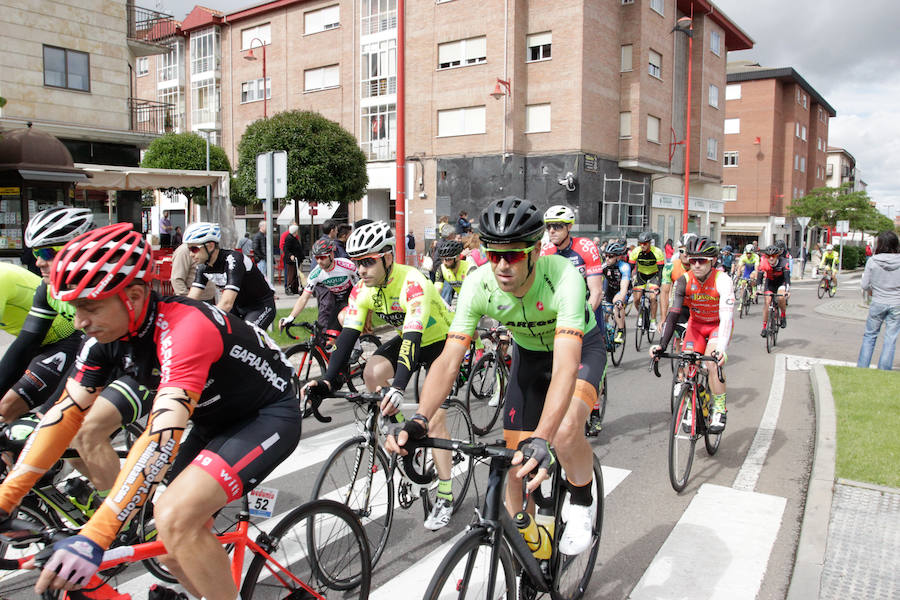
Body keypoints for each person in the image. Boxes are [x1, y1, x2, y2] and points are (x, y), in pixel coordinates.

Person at [0, 222, 300, 598]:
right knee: (169, 539)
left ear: (136, 295)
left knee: (175, 516)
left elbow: (161, 437)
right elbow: (62, 418)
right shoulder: (106, 338)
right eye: (74, 308)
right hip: (212, 419)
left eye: (89, 306)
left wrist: (95, 535)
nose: (79, 322)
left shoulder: (186, 328)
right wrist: (6, 499)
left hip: (268, 413)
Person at [386, 197, 604, 555]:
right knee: (513, 460)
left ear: (535, 251)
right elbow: (449, 359)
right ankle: (530, 551)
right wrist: (420, 419)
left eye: (513, 255)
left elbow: (566, 366)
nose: (502, 265)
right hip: (530, 356)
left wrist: (544, 437)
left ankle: (581, 500)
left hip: (580, 352)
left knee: (564, 431)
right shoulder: (479, 284)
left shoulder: (563, 277)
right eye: (493, 254)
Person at [301, 221, 457, 530]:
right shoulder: (363, 288)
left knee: (434, 415)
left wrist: (399, 387)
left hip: (440, 341)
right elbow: (347, 337)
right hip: (413, 339)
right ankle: (402, 435)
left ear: (387, 257)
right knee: (372, 371)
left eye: (368, 261)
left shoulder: (412, 282)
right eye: (357, 262)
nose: (361, 269)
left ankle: (445, 494)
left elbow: (412, 338)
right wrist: (329, 380)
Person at [0, 207, 91, 422]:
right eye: (36, 253)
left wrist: (48, 412)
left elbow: (92, 363)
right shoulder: (47, 289)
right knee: (7, 408)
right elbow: (26, 343)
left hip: (76, 344)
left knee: (76, 433)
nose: (39, 262)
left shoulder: (98, 295)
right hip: (55, 346)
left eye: (47, 253)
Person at [650, 236, 733, 434]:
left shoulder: (723, 280)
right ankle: (693, 403)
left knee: (712, 363)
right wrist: (661, 345)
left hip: (716, 326)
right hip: (695, 326)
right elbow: (674, 314)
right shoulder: (683, 280)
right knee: (687, 363)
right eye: (693, 259)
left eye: (701, 260)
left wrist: (721, 349)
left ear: (712, 260)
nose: (696, 264)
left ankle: (720, 409)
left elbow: (727, 317)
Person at [185, 222, 277, 330]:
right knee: (222, 338)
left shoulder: (233, 260)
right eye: (189, 249)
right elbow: (191, 300)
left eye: (194, 249)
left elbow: (226, 303)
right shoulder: (202, 267)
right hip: (237, 307)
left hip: (260, 306)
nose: (191, 254)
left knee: (246, 335)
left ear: (210, 246)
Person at [279, 238, 357, 335]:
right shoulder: (316, 273)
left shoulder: (346, 265)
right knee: (331, 336)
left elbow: (362, 283)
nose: (319, 261)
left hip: (352, 297)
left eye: (322, 257)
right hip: (337, 300)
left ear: (331, 255)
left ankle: (356, 347)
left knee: (345, 320)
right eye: (317, 258)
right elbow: (304, 297)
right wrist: (290, 317)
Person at [540, 205, 604, 321]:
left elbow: (596, 291)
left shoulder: (586, 247)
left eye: (557, 226)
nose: (551, 231)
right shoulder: (546, 251)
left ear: (569, 226)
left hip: (587, 303)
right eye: (548, 226)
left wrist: (583, 317)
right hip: (560, 306)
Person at [857, 231, 900, 370]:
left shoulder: (873, 261)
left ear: (879, 244)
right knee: (890, 338)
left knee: (870, 336)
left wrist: (872, 289)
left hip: (878, 301)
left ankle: (862, 367)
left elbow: (864, 285)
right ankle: (884, 369)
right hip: (897, 303)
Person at [628, 232, 665, 332]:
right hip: (641, 275)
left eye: (645, 243)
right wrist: (627, 283)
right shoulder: (635, 252)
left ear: (649, 243)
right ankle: (641, 315)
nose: (643, 245)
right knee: (636, 299)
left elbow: (661, 270)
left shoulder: (657, 252)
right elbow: (629, 269)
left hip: (654, 274)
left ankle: (653, 321)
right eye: (641, 243)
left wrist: (658, 285)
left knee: (653, 298)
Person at [600, 241, 631, 345]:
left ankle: (621, 331)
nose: (607, 258)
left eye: (610, 256)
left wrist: (620, 299)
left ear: (617, 257)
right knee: (604, 312)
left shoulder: (624, 267)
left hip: (621, 290)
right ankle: (606, 333)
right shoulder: (604, 265)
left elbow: (624, 287)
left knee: (616, 304)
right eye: (606, 256)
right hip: (610, 289)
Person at [759, 244, 791, 336]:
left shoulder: (784, 262)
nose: (771, 259)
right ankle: (764, 327)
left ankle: (783, 316)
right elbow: (759, 277)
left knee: (781, 298)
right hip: (770, 283)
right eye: (768, 256)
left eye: (773, 256)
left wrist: (787, 291)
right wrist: (758, 289)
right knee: (767, 303)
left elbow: (787, 277)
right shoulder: (764, 263)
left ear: (777, 256)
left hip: (781, 283)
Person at [434, 239, 475, 306]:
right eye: (442, 259)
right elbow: (437, 289)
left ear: (458, 257)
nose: (444, 262)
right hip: (463, 297)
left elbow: (473, 293)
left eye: (448, 259)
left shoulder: (470, 268)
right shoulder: (442, 268)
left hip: (476, 299)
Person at [283, 225, 304, 295]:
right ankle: (289, 288)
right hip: (291, 260)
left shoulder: (294, 238)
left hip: (296, 260)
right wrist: (290, 255)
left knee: (295, 274)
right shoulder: (289, 238)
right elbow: (286, 249)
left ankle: (294, 288)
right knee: (291, 275)